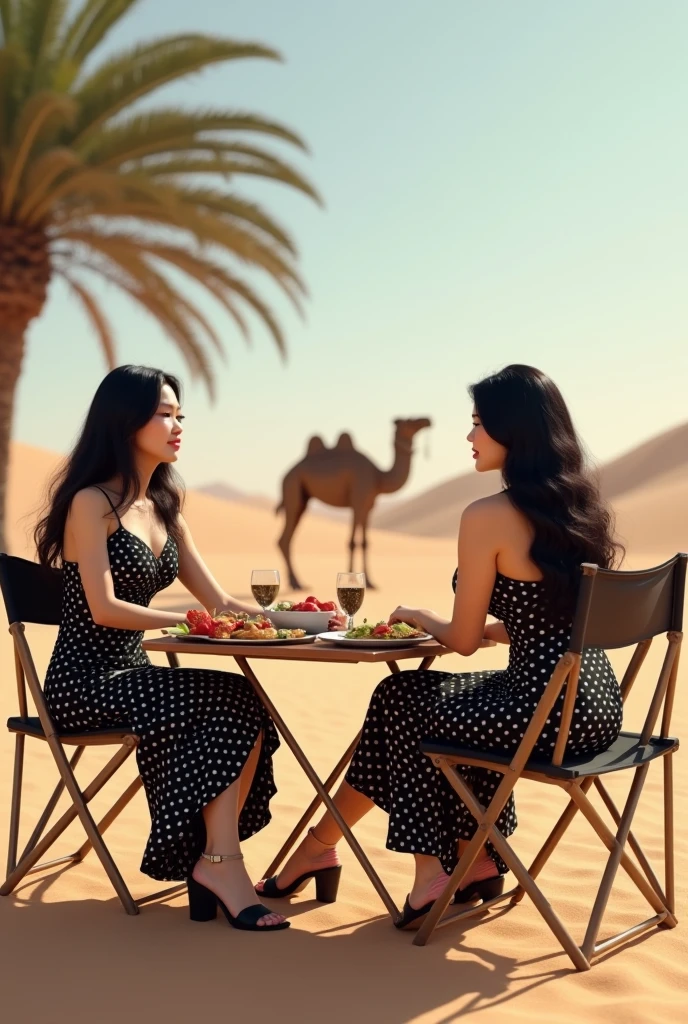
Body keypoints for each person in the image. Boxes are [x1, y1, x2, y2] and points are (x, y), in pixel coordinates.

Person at [256, 364, 624, 929]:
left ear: (513, 432)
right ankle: (457, 855)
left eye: (478, 424)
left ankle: (429, 871)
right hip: (595, 706)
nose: (469, 437)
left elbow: (461, 640)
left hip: (544, 713)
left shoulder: (489, 516)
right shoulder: (579, 509)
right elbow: (552, 619)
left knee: (402, 702)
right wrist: (504, 631)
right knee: (418, 700)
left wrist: (420, 615)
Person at [36, 365, 288, 932]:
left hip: (135, 676)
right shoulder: (90, 502)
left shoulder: (166, 507)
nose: (177, 427)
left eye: (180, 416)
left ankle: (215, 863)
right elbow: (103, 608)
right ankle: (220, 867)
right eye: (164, 415)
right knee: (228, 699)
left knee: (241, 701)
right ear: (125, 422)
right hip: (85, 685)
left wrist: (290, 619)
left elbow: (220, 600)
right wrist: (186, 623)